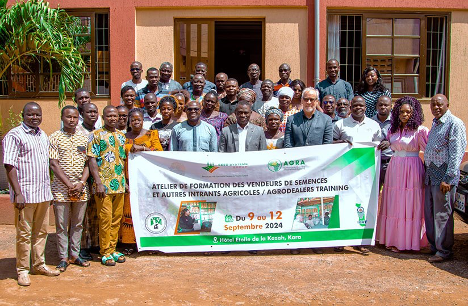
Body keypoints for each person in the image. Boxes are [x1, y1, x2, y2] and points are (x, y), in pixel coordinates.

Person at [3, 102, 59, 286]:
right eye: (30, 115)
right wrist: (17, 193)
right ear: (23, 115)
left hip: (42, 193)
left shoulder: (43, 135)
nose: (34, 118)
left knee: (42, 231)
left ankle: (39, 264)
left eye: (37, 114)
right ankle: (22, 270)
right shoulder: (15, 135)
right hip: (25, 195)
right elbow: (9, 165)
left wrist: (49, 191)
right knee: (24, 234)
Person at [333, 96, 385, 254]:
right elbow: (329, 144)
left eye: (361, 105)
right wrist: (339, 144)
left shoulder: (373, 125)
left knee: (363, 206)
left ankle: (361, 241)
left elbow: (379, 144)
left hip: (366, 175)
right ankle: (341, 239)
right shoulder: (340, 124)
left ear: (365, 107)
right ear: (350, 106)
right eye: (354, 105)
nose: (358, 108)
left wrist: (385, 144)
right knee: (343, 204)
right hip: (344, 173)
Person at [376, 96, 428, 253]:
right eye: (401, 112)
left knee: (410, 203)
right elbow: (386, 144)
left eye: (408, 112)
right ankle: (392, 239)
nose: (404, 115)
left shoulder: (420, 130)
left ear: (414, 113)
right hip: (395, 167)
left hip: (412, 169)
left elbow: (429, 152)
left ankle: (409, 242)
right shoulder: (393, 130)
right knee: (394, 203)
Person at [424, 94, 467, 263]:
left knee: (442, 214)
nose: (436, 107)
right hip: (431, 175)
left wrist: (448, 178)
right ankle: (434, 247)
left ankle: (444, 251)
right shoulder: (436, 123)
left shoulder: (455, 124)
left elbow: (457, 153)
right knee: (430, 213)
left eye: (439, 104)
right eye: (433, 105)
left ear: (447, 105)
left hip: (444, 177)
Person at [49, 106, 90, 272]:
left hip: (81, 189)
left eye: (74, 117)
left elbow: (89, 163)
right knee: (61, 224)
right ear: (62, 118)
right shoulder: (54, 137)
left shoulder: (85, 138)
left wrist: (81, 183)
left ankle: (75, 254)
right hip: (61, 190)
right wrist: (69, 184)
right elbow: (54, 164)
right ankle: (63, 257)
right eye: (68, 117)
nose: (71, 120)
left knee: (78, 224)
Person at [87, 106, 127, 266]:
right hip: (103, 186)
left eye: (115, 116)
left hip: (120, 184)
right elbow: (91, 160)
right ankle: (105, 252)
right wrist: (98, 182)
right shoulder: (95, 135)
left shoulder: (121, 136)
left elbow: (122, 160)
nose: (112, 118)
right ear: (103, 117)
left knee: (116, 219)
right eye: (109, 116)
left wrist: (126, 182)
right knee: (105, 219)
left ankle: (112, 248)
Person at [120, 109, 163, 253]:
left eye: (139, 120)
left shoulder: (152, 134)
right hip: (129, 179)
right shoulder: (122, 137)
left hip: (147, 180)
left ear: (143, 120)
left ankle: (148, 241)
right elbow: (119, 153)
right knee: (128, 210)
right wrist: (130, 147)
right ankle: (129, 243)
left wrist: (142, 148)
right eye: (133, 120)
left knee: (147, 209)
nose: (136, 122)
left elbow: (159, 153)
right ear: (129, 121)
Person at [75, 103, 101, 261]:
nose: (92, 114)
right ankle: (83, 246)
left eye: (95, 112)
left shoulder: (99, 132)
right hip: (83, 177)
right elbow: (82, 156)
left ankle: (95, 243)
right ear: (82, 114)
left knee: (95, 212)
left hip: (98, 177)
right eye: (89, 112)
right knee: (82, 214)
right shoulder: (78, 132)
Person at [371, 96, 393, 188]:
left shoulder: (397, 121)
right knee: (373, 194)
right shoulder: (370, 122)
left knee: (391, 193)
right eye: (380, 105)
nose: (383, 107)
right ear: (376, 106)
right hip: (374, 163)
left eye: (386, 105)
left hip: (390, 163)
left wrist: (390, 143)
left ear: (391, 106)